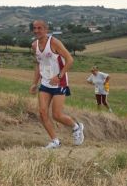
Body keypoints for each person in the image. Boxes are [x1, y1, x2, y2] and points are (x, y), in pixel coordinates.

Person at [29, 20, 85, 149]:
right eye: (34, 28)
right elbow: (38, 64)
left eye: (39, 28)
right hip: (45, 83)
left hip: (60, 82)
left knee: (57, 115)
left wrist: (59, 76)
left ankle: (76, 127)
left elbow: (70, 60)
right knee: (42, 113)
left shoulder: (54, 42)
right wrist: (34, 83)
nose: (36, 31)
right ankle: (55, 141)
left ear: (46, 29)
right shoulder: (34, 45)